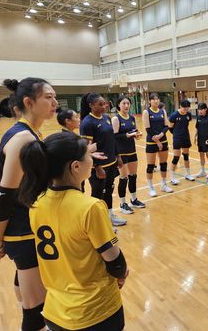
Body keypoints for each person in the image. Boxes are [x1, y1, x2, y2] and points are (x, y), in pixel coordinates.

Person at [19, 131, 128, 330]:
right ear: (75, 166)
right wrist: (121, 272)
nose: (92, 160)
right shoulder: (91, 207)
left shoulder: (36, 203)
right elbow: (114, 261)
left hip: (56, 311)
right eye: (88, 156)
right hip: (95, 312)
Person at [0, 78, 56, 331]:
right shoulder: (23, 138)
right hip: (23, 232)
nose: (55, 102)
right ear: (28, 102)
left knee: (28, 295)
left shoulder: (32, 133)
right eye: (48, 97)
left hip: (30, 228)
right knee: (36, 309)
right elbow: (4, 195)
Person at [80, 93, 128, 227]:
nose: (104, 106)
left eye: (104, 104)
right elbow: (87, 149)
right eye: (100, 104)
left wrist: (117, 156)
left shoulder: (106, 118)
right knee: (98, 194)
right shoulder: (87, 123)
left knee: (109, 190)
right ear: (91, 105)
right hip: (98, 166)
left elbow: (112, 140)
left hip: (111, 163)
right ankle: (98, 223)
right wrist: (96, 166)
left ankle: (109, 215)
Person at [112, 95, 146, 212]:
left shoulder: (132, 118)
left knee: (133, 176)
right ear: (119, 105)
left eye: (128, 103)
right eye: (124, 103)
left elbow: (134, 132)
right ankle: (122, 204)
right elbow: (114, 136)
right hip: (121, 153)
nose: (126, 105)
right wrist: (128, 135)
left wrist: (137, 135)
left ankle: (134, 199)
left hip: (132, 151)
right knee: (123, 177)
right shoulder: (116, 119)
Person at [142, 93, 173, 197]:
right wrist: (157, 141)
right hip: (151, 141)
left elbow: (167, 126)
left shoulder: (162, 111)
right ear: (150, 101)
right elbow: (148, 129)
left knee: (163, 164)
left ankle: (164, 184)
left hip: (163, 140)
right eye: (153, 99)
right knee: (150, 166)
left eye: (157, 99)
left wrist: (161, 135)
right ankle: (150, 187)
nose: (156, 101)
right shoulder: (146, 112)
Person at [168, 99, 196, 183]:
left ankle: (187, 174)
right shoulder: (174, 115)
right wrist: (176, 134)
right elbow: (170, 127)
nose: (186, 111)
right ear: (180, 106)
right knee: (176, 157)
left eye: (187, 109)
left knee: (186, 156)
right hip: (177, 138)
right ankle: (172, 177)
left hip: (186, 137)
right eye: (184, 109)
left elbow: (188, 123)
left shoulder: (189, 115)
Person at [194, 102, 208, 179]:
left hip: (207, 139)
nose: (200, 111)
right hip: (200, 139)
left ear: (206, 109)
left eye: (202, 109)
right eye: (199, 109)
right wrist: (195, 136)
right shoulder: (198, 117)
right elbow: (197, 128)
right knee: (201, 154)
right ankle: (202, 171)